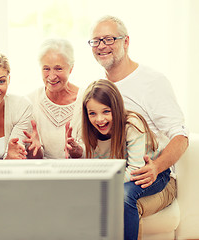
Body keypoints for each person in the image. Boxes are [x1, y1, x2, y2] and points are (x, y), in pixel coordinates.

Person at [87, 15, 189, 239]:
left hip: (155, 178)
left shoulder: (152, 82)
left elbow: (181, 137)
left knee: (120, 199)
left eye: (109, 39)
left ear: (126, 41)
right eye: (96, 41)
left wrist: (156, 166)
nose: (102, 46)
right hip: (117, 173)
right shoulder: (98, 89)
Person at [75, 79, 170, 239]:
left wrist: (101, 183)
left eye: (106, 111)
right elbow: (100, 165)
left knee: (123, 196)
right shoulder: (92, 130)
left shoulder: (132, 125)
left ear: (117, 108)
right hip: (123, 175)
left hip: (150, 175)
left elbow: (135, 170)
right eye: (92, 113)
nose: (99, 119)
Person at [23, 38, 82, 159]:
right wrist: (36, 150)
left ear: (71, 68)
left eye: (58, 68)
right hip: (43, 175)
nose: (51, 76)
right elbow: (34, 158)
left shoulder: (86, 99)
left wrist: (77, 150)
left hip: (78, 173)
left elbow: (92, 152)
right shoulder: (29, 101)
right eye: (46, 68)